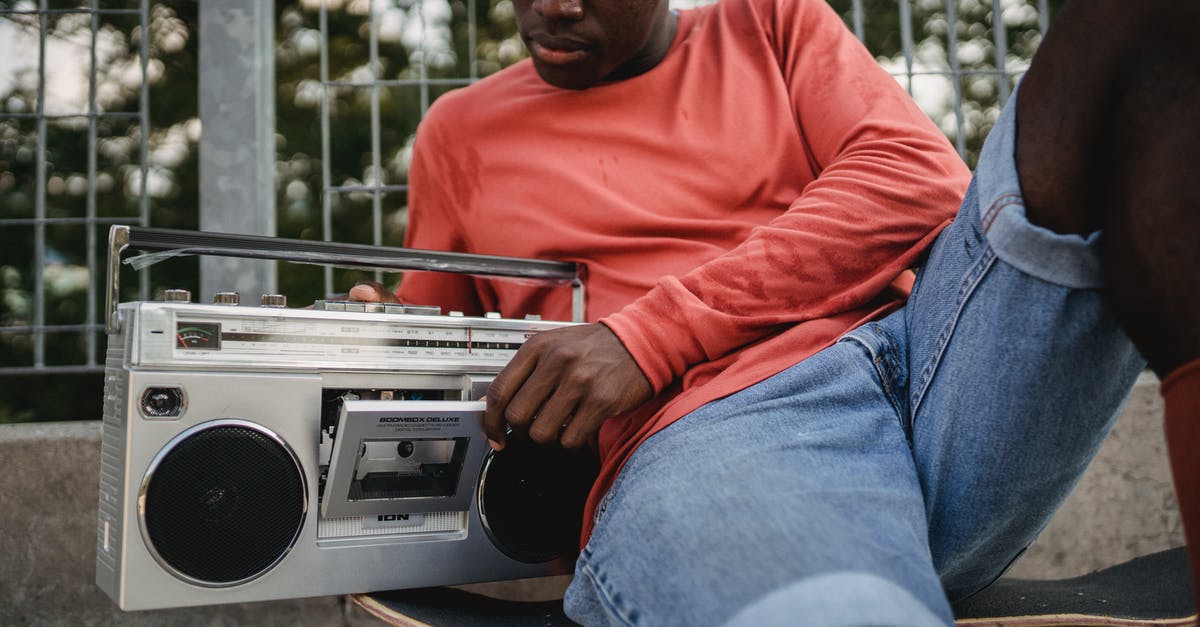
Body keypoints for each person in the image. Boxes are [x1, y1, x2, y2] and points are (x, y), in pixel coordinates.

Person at [349, 0, 1199, 622]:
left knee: (1136, 34)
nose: (554, 7)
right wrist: (367, 340)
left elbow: (913, 183)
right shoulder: (459, 131)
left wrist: (650, 331)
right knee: (835, 609)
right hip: (718, 420)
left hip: (935, 365)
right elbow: (439, 343)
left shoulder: (771, 20)